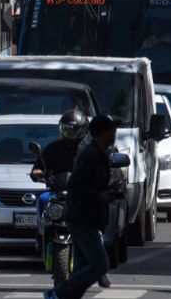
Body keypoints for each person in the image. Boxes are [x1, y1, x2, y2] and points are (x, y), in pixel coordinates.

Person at [31, 110, 112, 289]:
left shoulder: (91, 150)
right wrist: (37, 172)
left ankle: (101, 270)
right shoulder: (53, 148)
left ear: (83, 130)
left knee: (94, 229)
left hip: (83, 196)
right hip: (57, 192)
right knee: (42, 199)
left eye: (74, 130)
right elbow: (38, 167)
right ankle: (40, 233)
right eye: (67, 130)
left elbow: (105, 172)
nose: (71, 134)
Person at [45, 114, 119, 299]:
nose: (115, 133)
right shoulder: (90, 154)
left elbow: (93, 183)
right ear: (103, 132)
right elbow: (75, 185)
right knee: (100, 265)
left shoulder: (100, 153)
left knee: (82, 272)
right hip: (82, 219)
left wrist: (110, 190)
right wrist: (99, 196)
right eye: (112, 130)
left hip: (89, 219)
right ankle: (57, 292)